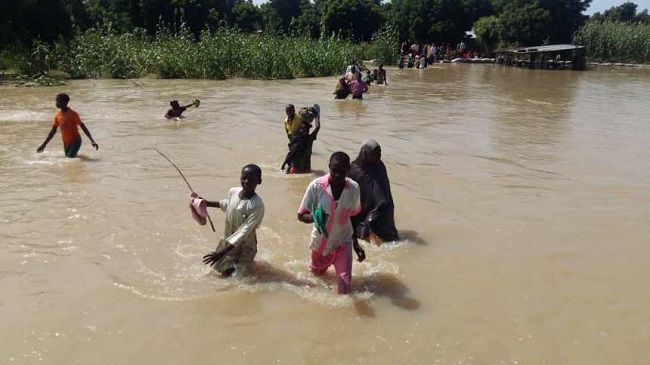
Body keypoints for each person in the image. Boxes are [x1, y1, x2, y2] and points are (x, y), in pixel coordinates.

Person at [297, 152, 366, 294]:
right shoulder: (316, 186)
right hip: (321, 244)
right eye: (334, 170)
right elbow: (301, 215)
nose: (337, 175)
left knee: (344, 286)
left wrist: (355, 243)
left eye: (342, 172)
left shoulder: (354, 189)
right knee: (316, 279)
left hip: (343, 242)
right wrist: (315, 218)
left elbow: (353, 215)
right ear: (329, 167)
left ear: (349, 170)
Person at [201, 164, 265, 277]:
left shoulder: (257, 205)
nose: (246, 182)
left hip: (246, 246)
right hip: (228, 241)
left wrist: (222, 252)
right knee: (220, 272)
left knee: (240, 278)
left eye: (251, 180)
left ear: (259, 181)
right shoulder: (233, 191)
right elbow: (227, 204)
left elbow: (244, 232)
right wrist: (207, 203)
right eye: (243, 178)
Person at [347, 140, 399, 244]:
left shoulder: (380, 166)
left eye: (380, 153)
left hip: (383, 208)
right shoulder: (353, 170)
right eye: (375, 153)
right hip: (362, 213)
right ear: (365, 154)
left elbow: (385, 189)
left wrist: (384, 207)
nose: (379, 156)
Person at [36, 93, 99, 158]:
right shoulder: (57, 116)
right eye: (56, 101)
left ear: (65, 102)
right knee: (69, 159)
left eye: (58, 101)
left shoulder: (73, 114)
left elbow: (83, 126)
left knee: (69, 159)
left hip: (76, 141)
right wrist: (44, 144)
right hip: (66, 142)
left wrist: (92, 140)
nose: (56, 103)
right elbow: (52, 131)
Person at [281, 106, 320, 174]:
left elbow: (291, 153)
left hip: (295, 167)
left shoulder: (297, 138)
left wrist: (285, 164)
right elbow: (318, 127)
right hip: (305, 167)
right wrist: (317, 116)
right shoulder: (310, 139)